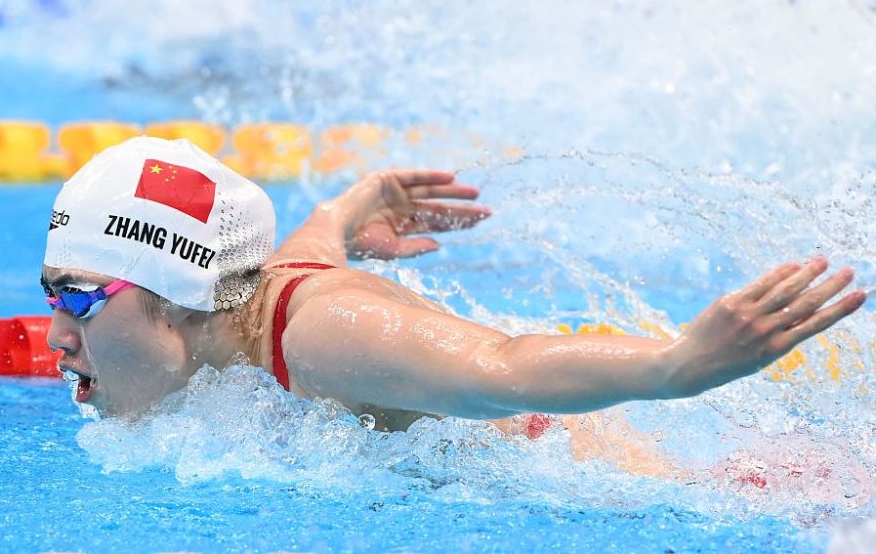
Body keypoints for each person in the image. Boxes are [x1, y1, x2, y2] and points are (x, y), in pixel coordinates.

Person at [42, 137, 866, 438]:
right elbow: (309, 243)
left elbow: (502, 366)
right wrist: (349, 205)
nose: (54, 335)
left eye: (78, 297)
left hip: (633, 469)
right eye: (51, 296)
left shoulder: (322, 335)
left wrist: (676, 365)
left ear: (181, 295)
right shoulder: (251, 296)